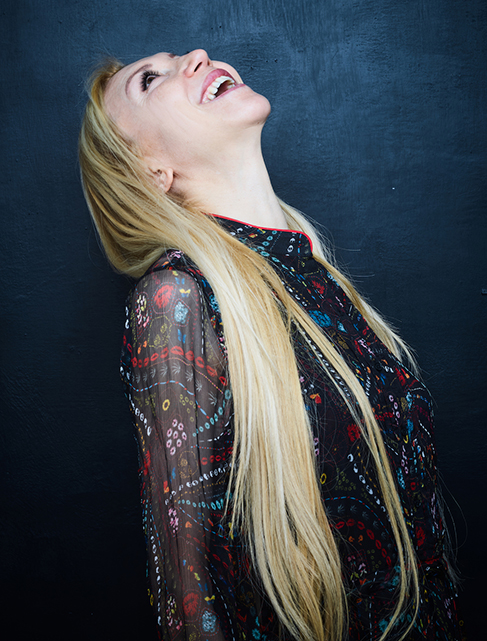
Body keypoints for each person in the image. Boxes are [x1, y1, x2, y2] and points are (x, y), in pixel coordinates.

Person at [79, 49, 461, 641]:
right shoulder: (176, 299)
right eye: (150, 80)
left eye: (180, 56)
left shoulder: (314, 275)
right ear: (150, 171)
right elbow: (189, 606)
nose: (196, 56)